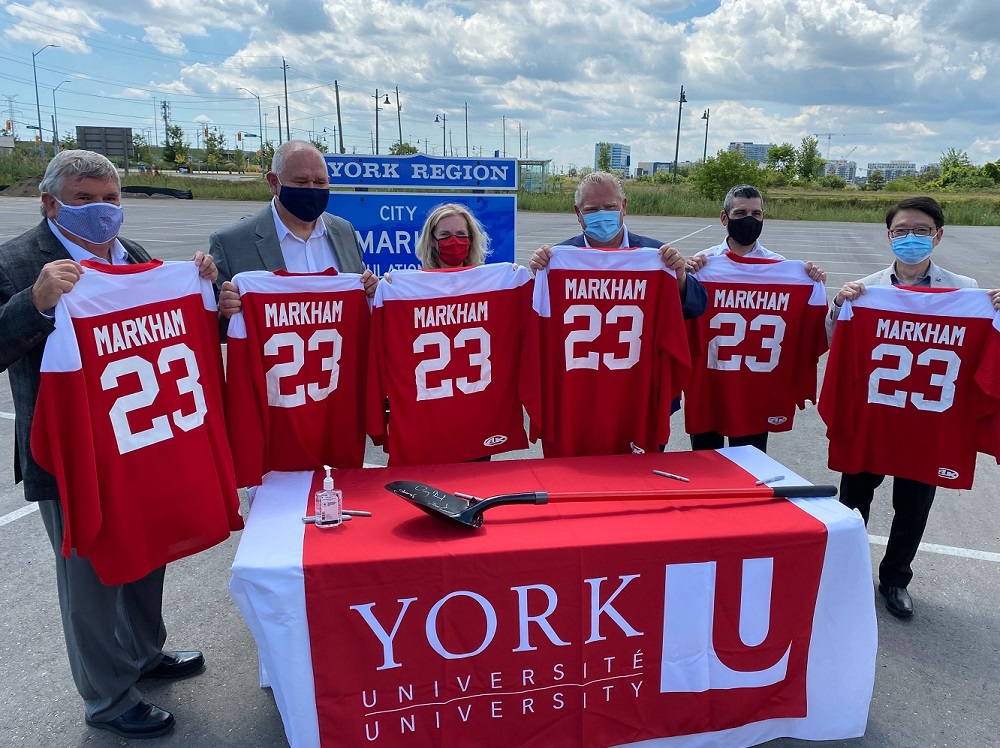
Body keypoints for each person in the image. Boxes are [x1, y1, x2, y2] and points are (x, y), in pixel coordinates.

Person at [0, 150, 219, 738]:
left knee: (146, 555)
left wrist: (206, 291)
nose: (101, 211)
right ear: (50, 203)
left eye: (110, 199)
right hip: (68, 452)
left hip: (138, 441)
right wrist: (35, 303)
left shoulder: (136, 257)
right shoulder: (18, 261)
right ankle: (108, 697)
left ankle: (144, 655)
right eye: (83, 199)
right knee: (90, 576)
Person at [826, 196, 1000, 619]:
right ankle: (844, 575)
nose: (910, 238)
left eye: (920, 231)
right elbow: (838, 346)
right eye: (901, 231)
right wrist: (838, 307)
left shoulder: (966, 291)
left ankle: (895, 579)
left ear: (937, 235)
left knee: (914, 506)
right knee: (854, 501)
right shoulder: (868, 289)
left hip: (929, 422)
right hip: (876, 417)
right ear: (889, 237)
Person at [685, 184, 827, 452]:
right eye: (740, 213)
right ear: (724, 218)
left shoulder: (784, 269)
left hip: (756, 392)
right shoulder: (701, 266)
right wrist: (684, 279)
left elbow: (808, 333)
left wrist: (813, 282)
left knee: (751, 469)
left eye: (756, 213)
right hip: (710, 388)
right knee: (705, 464)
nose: (749, 219)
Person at [210, 140, 377, 327]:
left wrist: (373, 291)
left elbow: (362, 302)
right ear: (273, 183)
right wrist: (226, 311)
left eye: (320, 182)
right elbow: (211, 327)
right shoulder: (232, 243)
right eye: (301, 182)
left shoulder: (344, 232)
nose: (312, 189)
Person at [528, 171, 707, 319]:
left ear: (624, 206)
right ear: (578, 212)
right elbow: (536, 316)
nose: (602, 215)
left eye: (610, 207)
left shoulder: (655, 255)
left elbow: (696, 309)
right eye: (591, 209)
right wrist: (541, 277)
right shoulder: (557, 259)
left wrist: (680, 280)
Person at [414, 202, 490, 269]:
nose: (454, 240)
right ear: (431, 240)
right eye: (445, 234)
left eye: (461, 234)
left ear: (470, 238)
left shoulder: (486, 282)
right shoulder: (418, 283)